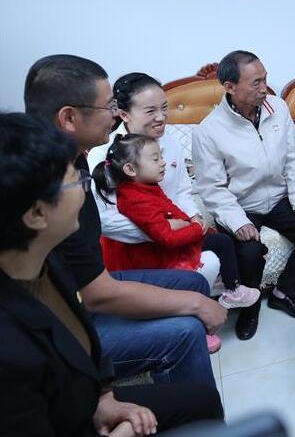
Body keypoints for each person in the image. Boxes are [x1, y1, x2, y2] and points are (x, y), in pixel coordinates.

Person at [0, 112, 224, 436]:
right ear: (36, 213)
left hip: (86, 395)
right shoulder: (10, 351)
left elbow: (81, 332)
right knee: (186, 331)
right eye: (78, 183)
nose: (85, 193)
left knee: (202, 398)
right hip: (72, 414)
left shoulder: (47, 260)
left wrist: (104, 397)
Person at [24, 55, 224, 387]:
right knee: (187, 328)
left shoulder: (74, 162)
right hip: (68, 318)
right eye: (109, 107)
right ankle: (184, 398)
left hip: (88, 286)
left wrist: (186, 222)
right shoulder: (54, 183)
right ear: (69, 117)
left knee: (196, 283)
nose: (114, 115)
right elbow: (97, 292)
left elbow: (180, 192)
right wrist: (193, 301)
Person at [192, 50, 295, 341]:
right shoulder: (209, 131)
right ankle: (249, 307)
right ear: (230, 86)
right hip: (241, 204)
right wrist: (237, 221)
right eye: (256, 83)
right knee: (249, 252)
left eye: (264, 79)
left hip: (279, 197)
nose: (264, 88)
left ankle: (285, 293)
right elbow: (211, 187)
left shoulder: (277, 107)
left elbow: (294, 157)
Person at [92, 133, 260, 312]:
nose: (163, 163)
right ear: (130, 169)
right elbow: (166, 237)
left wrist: (190, 220)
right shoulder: (134, 199)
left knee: (220, 239)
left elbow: (169, 205)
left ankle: (227, 281)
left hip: (170, 239)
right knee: (222, 242)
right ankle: (233, 291)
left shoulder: (146, 185)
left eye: (161, 157)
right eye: (155, 159)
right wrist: (195, 228)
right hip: (155, 252)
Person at [87, 73, 222, 291]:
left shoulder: (171, 142)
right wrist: (162, 230)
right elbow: (105, 219)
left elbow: (181, 192)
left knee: (217, 253)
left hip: (173, 236)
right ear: (124, 114)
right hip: (129, 248)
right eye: (150, 111)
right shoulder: (104, 154)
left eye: (164, 108)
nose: (161, 117)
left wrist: (193, 217)